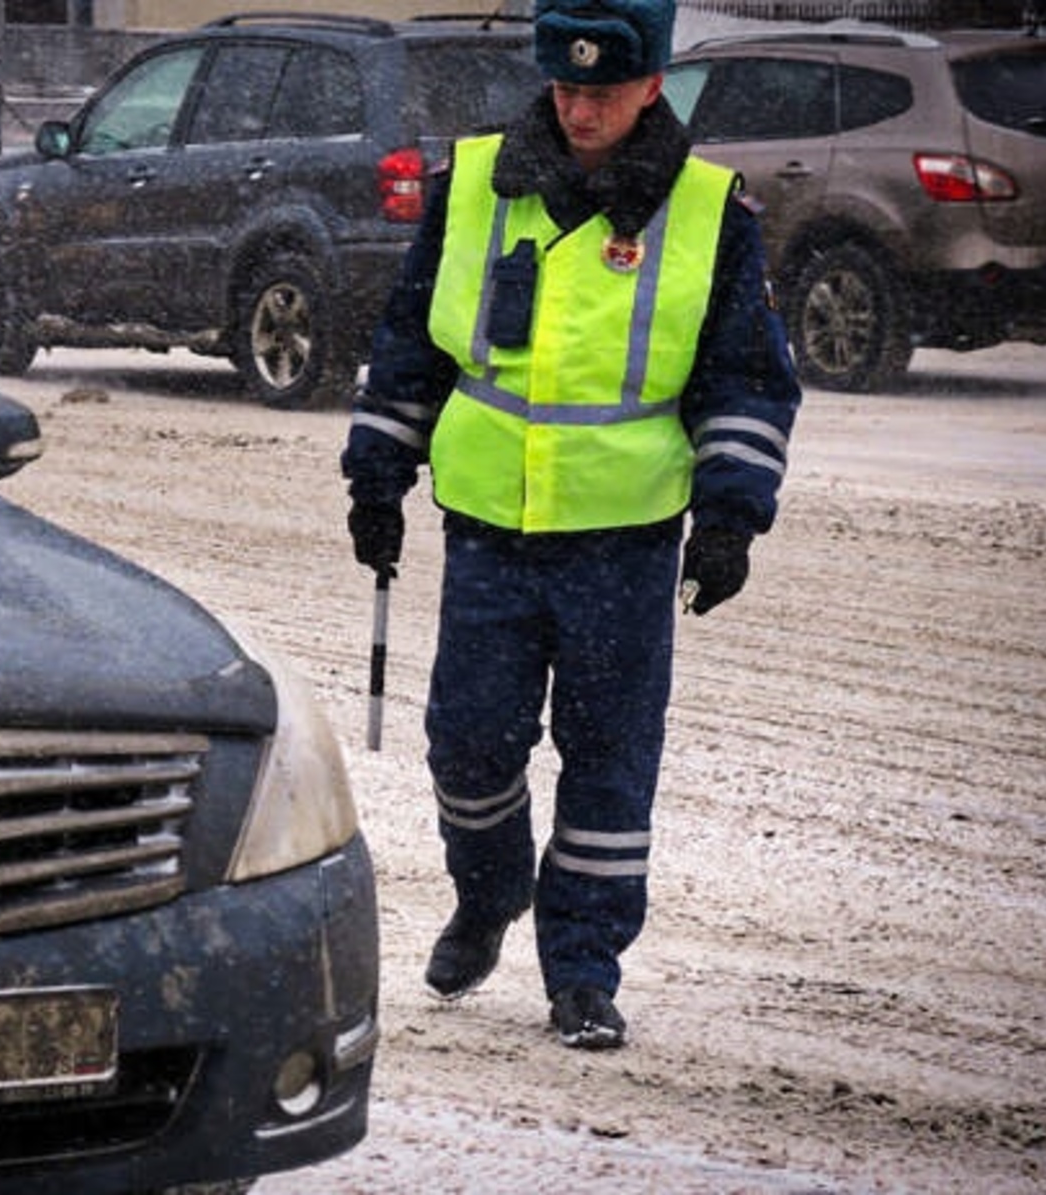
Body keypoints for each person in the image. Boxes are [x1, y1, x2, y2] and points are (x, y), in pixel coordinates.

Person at [341, 0, 801, 1050]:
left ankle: (583, 972)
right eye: (566, 85)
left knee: (606, 767)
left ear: (652, 87)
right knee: (467, 748)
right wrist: (376, 473)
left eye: (603, 89)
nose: (580, 107)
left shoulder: (707, 211)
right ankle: (489, 891)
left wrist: (731, 515)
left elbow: (743, 379)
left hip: (624, 540)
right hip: (489, 530)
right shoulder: (476, 184)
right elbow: (411, 339)